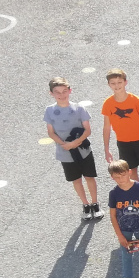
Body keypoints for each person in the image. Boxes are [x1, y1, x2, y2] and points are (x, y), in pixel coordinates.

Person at [44, 77, 102, 219]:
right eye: (57, 92)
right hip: (65, 152)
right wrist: (64, 144)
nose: (61, 95)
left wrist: (75, 142)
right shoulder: (49, 110)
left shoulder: (79, 108)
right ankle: (86, 205)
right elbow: (51, 132)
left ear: (70, 91)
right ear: (51, 93)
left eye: (64, 91)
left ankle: (95, 203)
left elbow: (87, 130)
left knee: (89, 177)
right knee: (76, 179)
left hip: (83, 150)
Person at [101, 68, 139, 187]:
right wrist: (106, 149)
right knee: (131, 170)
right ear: (109, 84)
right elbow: (106, 128)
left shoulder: (135, 100)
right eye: (113, 83)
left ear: (125, 82)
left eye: (119, 82)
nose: (117, 86)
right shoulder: (108, 104)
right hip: (123, 143)